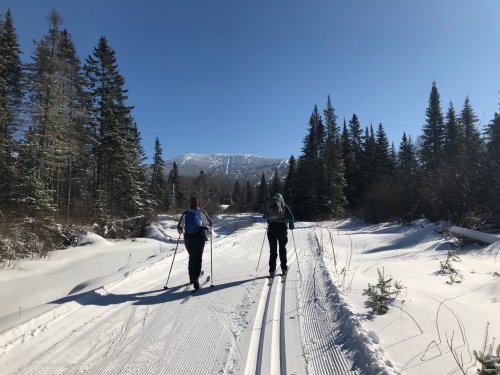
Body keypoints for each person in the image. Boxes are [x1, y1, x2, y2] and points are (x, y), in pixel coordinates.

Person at [177, 196, 212, 290]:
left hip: (188, 239)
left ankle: (191, 278)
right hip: (199, 238)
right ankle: (196, 279)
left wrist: (181, 230)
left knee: (191, 257)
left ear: (190, 204)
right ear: (198, 203)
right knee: (198, 258)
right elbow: (210, 223)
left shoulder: (186, 213)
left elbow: (179, 228)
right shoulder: (201, 212)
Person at [264, 193, 294, 278]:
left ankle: (272, 271)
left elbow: (264, 216)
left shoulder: (270, 205)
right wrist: (291, 225)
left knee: (273, 251)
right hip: (282, 229)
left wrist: (270, 219)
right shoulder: (285, 206)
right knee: (282, 249)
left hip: (271, 229)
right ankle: (284, 269)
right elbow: (291, 217)